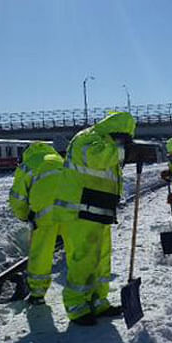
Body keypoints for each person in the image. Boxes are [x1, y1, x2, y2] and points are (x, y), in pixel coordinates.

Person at [37, 111, 136, 326]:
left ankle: (98, 301)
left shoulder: (108, 144)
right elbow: (97, 159)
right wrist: (123, 150)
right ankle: (76, 306)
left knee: (101, 260)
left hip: (98, 210)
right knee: (83, 260)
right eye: (123, 137)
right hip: (79, 211)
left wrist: (126, 151)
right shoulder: (88, 139)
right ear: (114, 131)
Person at [8, 142, 62, 304]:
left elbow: (18, 198)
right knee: (76, 255)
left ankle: (37, 294)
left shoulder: (27, 165)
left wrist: (25, 216)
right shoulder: (59, 159)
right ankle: (85, 298)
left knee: (41, 254)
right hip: (71, 212)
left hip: (44, 217)